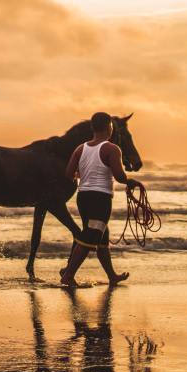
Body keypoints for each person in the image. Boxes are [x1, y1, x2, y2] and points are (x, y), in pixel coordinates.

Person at [60, 113, 140, 287]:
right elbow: (119, 176)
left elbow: (68, 174)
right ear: (110, 127)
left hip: (83, 197)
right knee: (91, 236)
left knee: (102, 237)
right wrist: (130, 181)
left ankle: (112, 276)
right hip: (100, 198)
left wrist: (85, 174)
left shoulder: (81, 148)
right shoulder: (112, 149)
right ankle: (67, 275)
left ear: (92, 128)